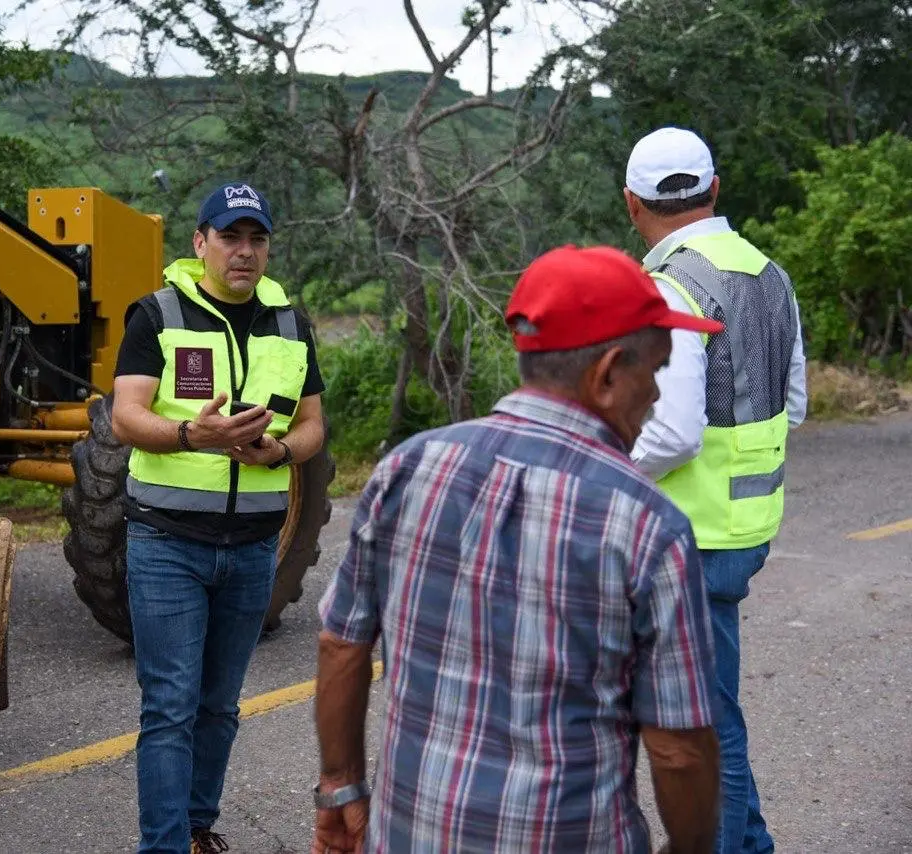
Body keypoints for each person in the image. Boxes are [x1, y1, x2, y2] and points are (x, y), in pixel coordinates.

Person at [312, 244, 725, 854]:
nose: (659, 396)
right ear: (609, 374)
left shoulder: (407, 467)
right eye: (656, 371)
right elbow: (679, 750)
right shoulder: (647, 525)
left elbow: (340, 643)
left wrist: (342, 787)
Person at [111, 181, 326, 854]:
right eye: (230, 236)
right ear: (199, 242)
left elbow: (315, 425)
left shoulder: (291, 324)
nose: (245, 251)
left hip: (255, 547)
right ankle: (165, 846)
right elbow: (125, 417)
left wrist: (281, 451)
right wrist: (187, 437)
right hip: (167, 542)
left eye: (257, 238)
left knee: (219, 707)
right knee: (170, 706)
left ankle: (198, 828)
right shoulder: (158, 314)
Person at [624, 126, 807, 854]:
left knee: (700, 729)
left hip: (688, 537)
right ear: (716, 190)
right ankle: (749, 842)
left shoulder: (671, 283)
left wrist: (604, 470)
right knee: (712, 713)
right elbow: (794, 404)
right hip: (747, 527)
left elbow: (671, 435)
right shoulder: (769, 273)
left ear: (632, 204)